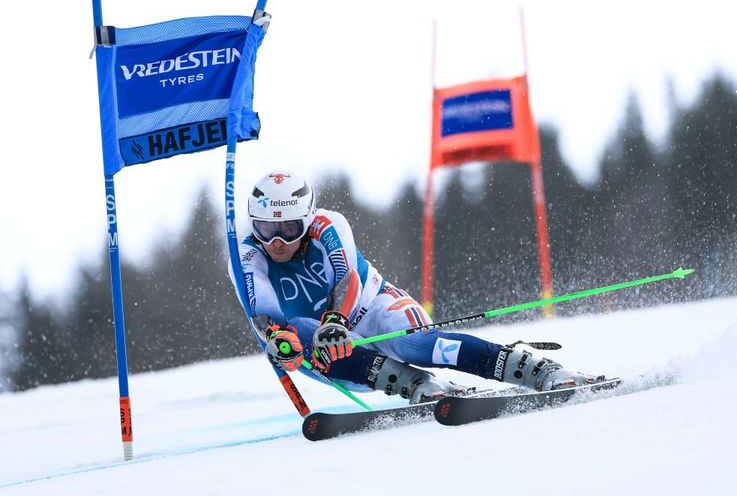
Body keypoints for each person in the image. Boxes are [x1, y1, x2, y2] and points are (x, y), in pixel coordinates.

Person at [231, 170, 599, 404]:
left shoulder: (329, 225)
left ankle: (537, 369)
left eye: (290, 229)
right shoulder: (246, 254)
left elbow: (347, 278)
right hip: (329, 352)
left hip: (369, 308)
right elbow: (264, 312)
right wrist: (280, 340)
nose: (277, 242)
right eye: (266, 230)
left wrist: (336, 320)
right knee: (298, 331)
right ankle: (413, 385)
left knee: (417, 344)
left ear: (307, 220)